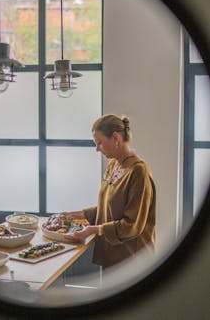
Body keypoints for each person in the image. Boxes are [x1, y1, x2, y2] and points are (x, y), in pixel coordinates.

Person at [64, 114, 156, 268]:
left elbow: (132, 225)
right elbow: (109, 208)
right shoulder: (114, 165)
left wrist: (93, 229)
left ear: (115, 138)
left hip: (133, 260)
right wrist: (73, 215)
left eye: (99, 143)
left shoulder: (139, 172)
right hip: (113, 256)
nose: (96, 149)